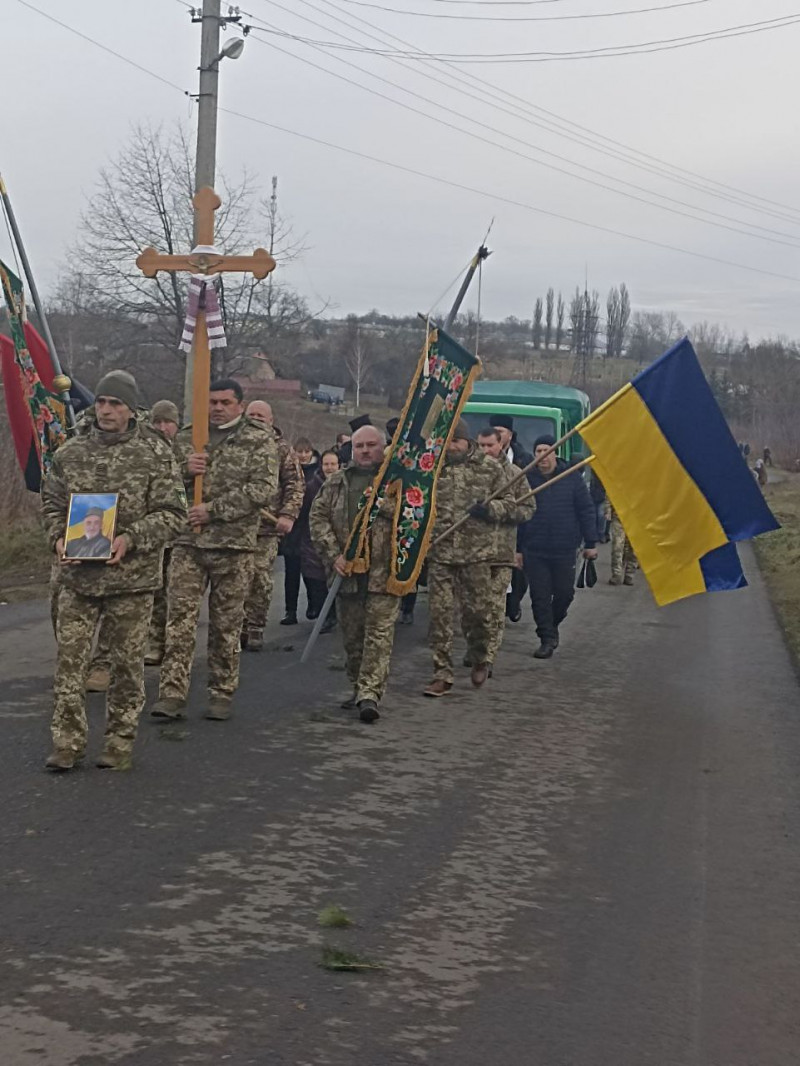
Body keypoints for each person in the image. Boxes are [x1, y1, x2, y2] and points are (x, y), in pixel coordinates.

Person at [41, 370, 186, 772]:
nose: (106, 410)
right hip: (78, 580)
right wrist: (57, 539)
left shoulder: (155, 454)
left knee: (125, 667)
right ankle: (66, 743)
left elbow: (174, 514)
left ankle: (119, 740)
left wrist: (130, 539)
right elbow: (51, 504)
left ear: (130, 408)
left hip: (131, 581)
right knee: (70, 665)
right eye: (102, 402)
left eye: (115, 404)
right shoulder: (71, 451)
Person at [151, 379, 278, 722]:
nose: (218, 408)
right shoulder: (187, 438)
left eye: (225, 402)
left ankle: (221, 690)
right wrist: (184, 471)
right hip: (188, 544)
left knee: (226, 622)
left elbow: (263, 488)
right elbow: (160, 484)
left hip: (233, 545)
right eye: (212, 402)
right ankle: (172, 693)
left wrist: (214, 509)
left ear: (239, 404)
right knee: (179, 620)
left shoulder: (258, 439)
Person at [309, 424, 400, 723]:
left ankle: (370, 693)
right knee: (353, 637)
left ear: (382, 447)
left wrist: (382, 506)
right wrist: (332, 553)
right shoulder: (337, 482)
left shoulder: (396, 483)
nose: (364, 451)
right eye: (359, 446)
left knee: (378, 635)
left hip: (383, 574)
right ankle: (358, 685)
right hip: (347, 572)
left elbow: (413, 518)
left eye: (371, 445)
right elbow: (318, 516)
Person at [423, 420, 521, 697]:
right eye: (447, 441)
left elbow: (511, 504)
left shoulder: (489, 468)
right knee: (439, 616)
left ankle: (480, 656)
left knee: (477, 614)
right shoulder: (432, 468)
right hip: (440, 552)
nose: (451, 447)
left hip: (476, 554)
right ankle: (442, 673)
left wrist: (489, 509)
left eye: (456, 441)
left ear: (468, 442)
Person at [518, 434, 598, 659]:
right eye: (538, 451)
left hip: (564, 548)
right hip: (535, 548)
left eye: (546, 450)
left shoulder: (571, 477)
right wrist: (517, 549)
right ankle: (546, 638)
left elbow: (586, 509)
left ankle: (551, 625)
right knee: (540, 596)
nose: (542, 455)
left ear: (555, 452)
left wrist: (590, 542)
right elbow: (519, 517)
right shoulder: (527, 479)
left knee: (564, 594)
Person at [241, 400, 304, 651]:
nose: (255, 419)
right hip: (235, 525)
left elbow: (296, 485)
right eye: (251, 415)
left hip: (267, 528)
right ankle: (235, 626)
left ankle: (255, 626)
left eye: (261, 415)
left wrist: (288, 515)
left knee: (259, 578)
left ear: (271, 420)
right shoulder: (233, 445)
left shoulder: (281, 449)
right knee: (234, 580)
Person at [475, 426, 536, 674]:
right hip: (471, 553)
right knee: (474, 608)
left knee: (494, 606)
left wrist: (495, 511)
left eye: (490, 445)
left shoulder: (514, 474)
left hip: (501, 552)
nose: (486, 450)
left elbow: (528, 509)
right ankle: (476, 649)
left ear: (501, 444)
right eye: (481, 445)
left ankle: (487, 657)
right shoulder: (469, 473)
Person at [144, 399, 181, 665]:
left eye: (167, 422)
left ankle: (172, 643)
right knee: (154, 591)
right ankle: (154, 642)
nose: (162, 427)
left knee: (174, 592)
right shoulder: (144, 450)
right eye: (157, 422)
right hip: (152, 534)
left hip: (180, 535)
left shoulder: (184, 450)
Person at [489, 414, 533, 621]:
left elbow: (528, 505)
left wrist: (499, 510)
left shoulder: (523, 462)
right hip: (481, 540)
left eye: (502, 431)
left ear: (510, 435)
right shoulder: (477, 464)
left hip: (513, 535)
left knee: (516, 579)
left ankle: (513, 604)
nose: (498, 434)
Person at [299, 448, 341, 634]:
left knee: (333, 579)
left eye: (333, 464)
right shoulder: (311, 486)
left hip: (338, 538)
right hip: (312, 539)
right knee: (314, 578)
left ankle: (332, 614)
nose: (329, 468)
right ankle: (322, 612)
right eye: (326, 464)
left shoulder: (344, 485)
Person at [280, 437, 321, 625]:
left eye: (306, 451)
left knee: (310, 570)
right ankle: (290, 611)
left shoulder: (317, 472)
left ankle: (313, 604)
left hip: (309, 526)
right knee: (291, 571)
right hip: (293, 528)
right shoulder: (289, 471)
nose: (303, 455)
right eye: (299, 451)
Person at [607, 504, 636, 586]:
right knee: (617, 547)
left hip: (638, 519)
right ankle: (616, 574)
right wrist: (607, 510)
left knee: (634, 549)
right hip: (619, 517)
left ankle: (629, 575)